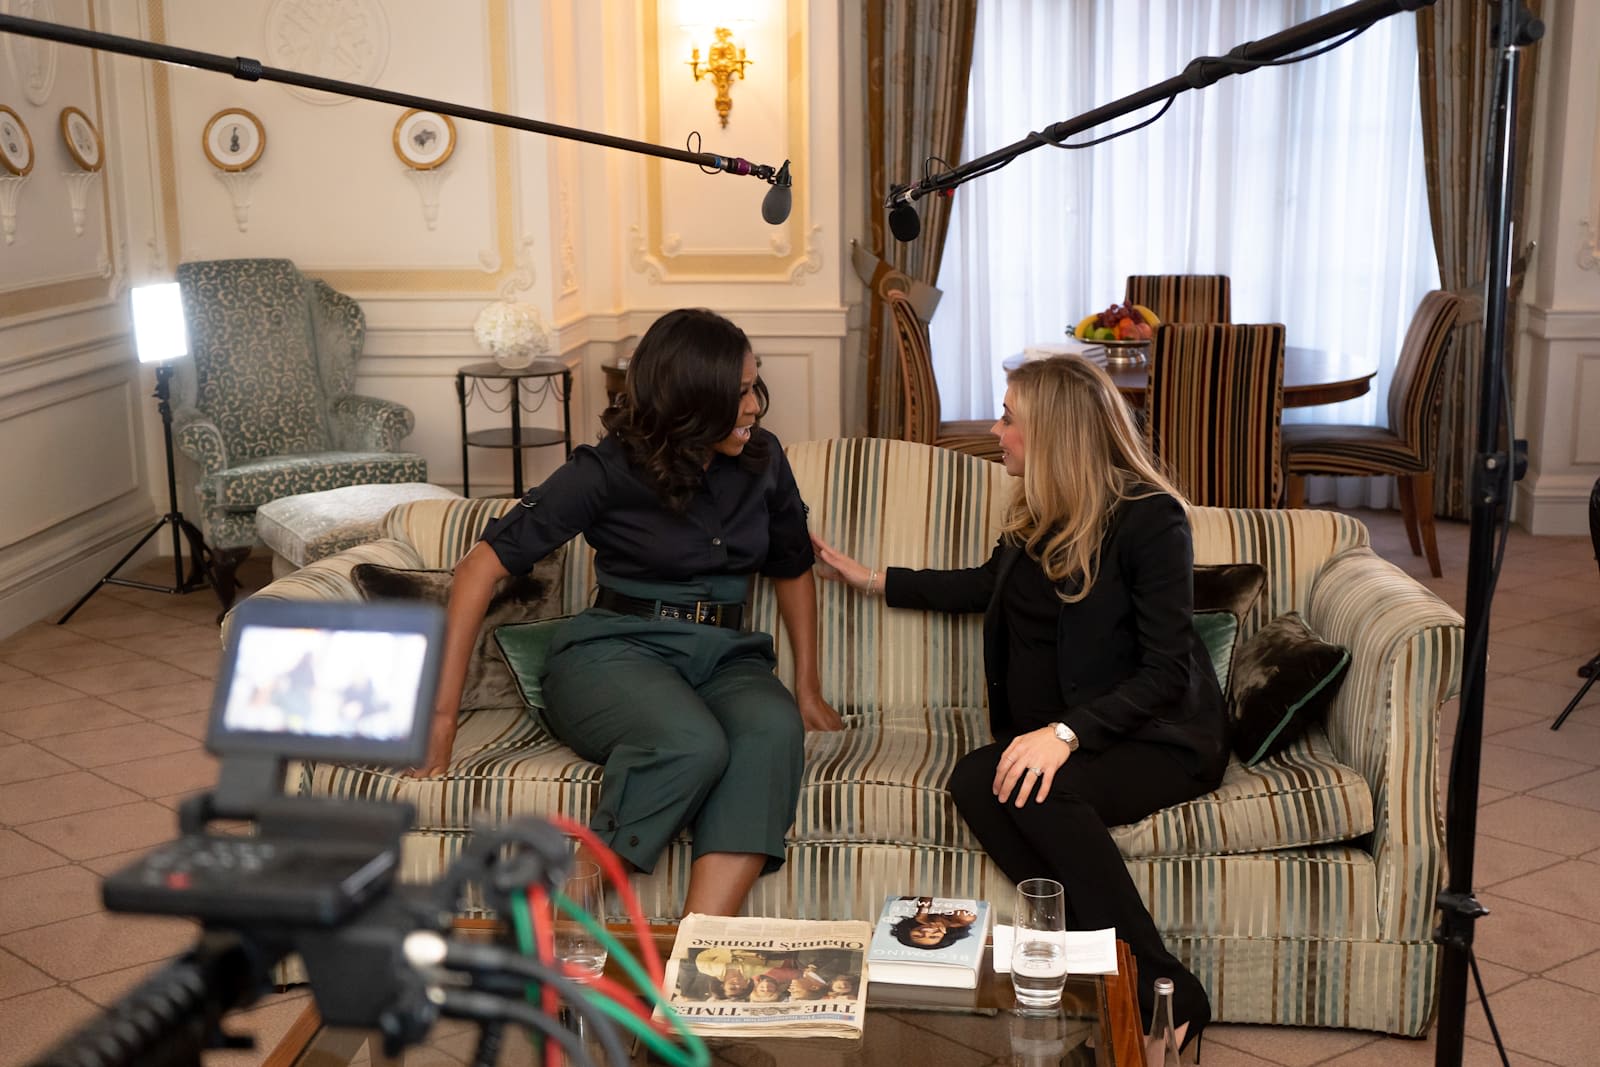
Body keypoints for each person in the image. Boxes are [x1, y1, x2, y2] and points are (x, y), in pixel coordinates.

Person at [811, 355, 1224, 1054]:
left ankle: (1170, 988)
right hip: (1077, 734)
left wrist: (1064, 732)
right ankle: (1101, 972)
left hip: (1158, 735)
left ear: (1054, 434)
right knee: (977, 777)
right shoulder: (1038, 512)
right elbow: (984, 584)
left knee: (1036, 787)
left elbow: (1166, 671)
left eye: (1008, 417)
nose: (993, 429)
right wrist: (873, 578)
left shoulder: (1152, 521)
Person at [416, 307, 842, 917]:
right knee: (691, 744)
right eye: (740, 392)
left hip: (727, 658)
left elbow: (791, 566)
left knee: (772, 733)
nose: (754, 407)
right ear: (693, 399)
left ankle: (695, 958)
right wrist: (441, 718)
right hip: (613, 654)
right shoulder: (606, 469)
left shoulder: (764, 459)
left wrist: (806, 688)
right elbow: (479, 568)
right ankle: (558, 916)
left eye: (754, 387)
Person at [888, 896, 978, 949]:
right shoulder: (962, 920)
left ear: (908, 931)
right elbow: (967, 916)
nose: (926, 933)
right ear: (945, 935)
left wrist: (922, 914)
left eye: (918, 935)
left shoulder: (898, 912)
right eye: (934, 936)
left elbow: (925, 889)